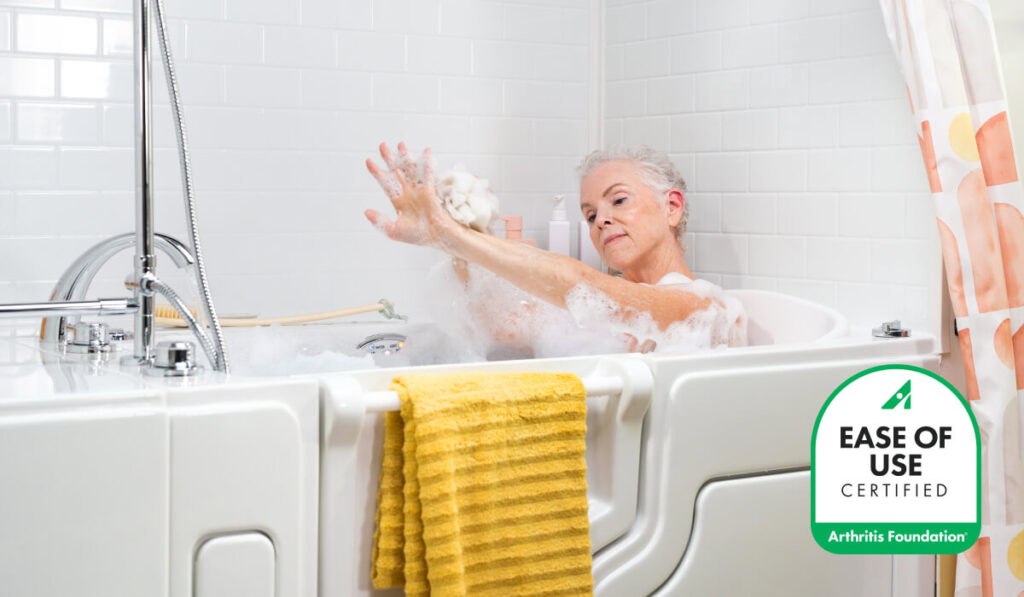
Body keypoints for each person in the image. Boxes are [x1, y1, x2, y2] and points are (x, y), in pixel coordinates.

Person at [365, 142, 746, 353]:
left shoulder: (705, 309)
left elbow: (581, 285)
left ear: (672, 207)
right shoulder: (586, 320)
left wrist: (454, 236)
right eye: (590, 214)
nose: (601, 220)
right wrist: (459, 235)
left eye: (619, 200)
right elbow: (490, 323)